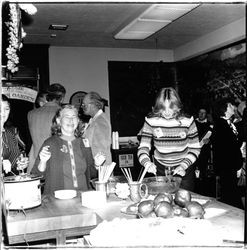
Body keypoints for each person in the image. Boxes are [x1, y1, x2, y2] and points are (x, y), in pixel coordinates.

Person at [137, 87, 201, 191]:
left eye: (171, 107)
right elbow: (143, 147)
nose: (167, 112)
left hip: (183, 168)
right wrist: (147, 163)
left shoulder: (188, 121)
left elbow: (195, 148)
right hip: (160, 169)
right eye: (163, 108)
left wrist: (184, 165)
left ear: (177, 106)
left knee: (185, 203)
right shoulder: (151, 121)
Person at [31, 105, 94, 194]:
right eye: (66, 117)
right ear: (58, 120)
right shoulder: (50, 143)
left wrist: (98, 165)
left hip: (83, 196)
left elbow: (92, 174)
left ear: (78, 120)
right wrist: (43, 162)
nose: (71, 120)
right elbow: (36, 176)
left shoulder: (84, 142)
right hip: (58, 199)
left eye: (74, 117)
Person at [27, 83, 66, 174]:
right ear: (62, 97)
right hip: (58, 163)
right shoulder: (63, 113)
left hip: (36, 161)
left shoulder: (31, 114)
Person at [211, 98, 243, 208]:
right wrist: (237, 164)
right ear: (224, 109)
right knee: (231, 196)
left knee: (231, 195)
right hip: (227, 167)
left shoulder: (228, 123)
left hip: (230, 167)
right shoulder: (221, 125)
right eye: (230, 106)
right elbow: (229, 148)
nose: (233, 107)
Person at [82, 92, 112, 176]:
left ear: (93, 105)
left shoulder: (100, 121)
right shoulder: (95, 120)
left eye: (84, 105)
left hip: (100, 170)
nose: (82, 107)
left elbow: (101, 150)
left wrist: (95, 168)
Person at [1, 95, 29, 176]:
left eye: (6, 109)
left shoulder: (9, 134)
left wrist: (20, 164)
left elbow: (15, 159)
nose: (3, 112)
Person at [194, 108, 213, 195]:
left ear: (206, 114)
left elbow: (214, 137)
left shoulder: (210, 125)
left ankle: (203, 191)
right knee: (193, 172)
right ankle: (194, 189)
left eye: (203, 113)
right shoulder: (193, 123)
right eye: (200, 112)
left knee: (203, 172)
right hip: (193, 151)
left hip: (204, 152)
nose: (201, 114)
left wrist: (210, 141)